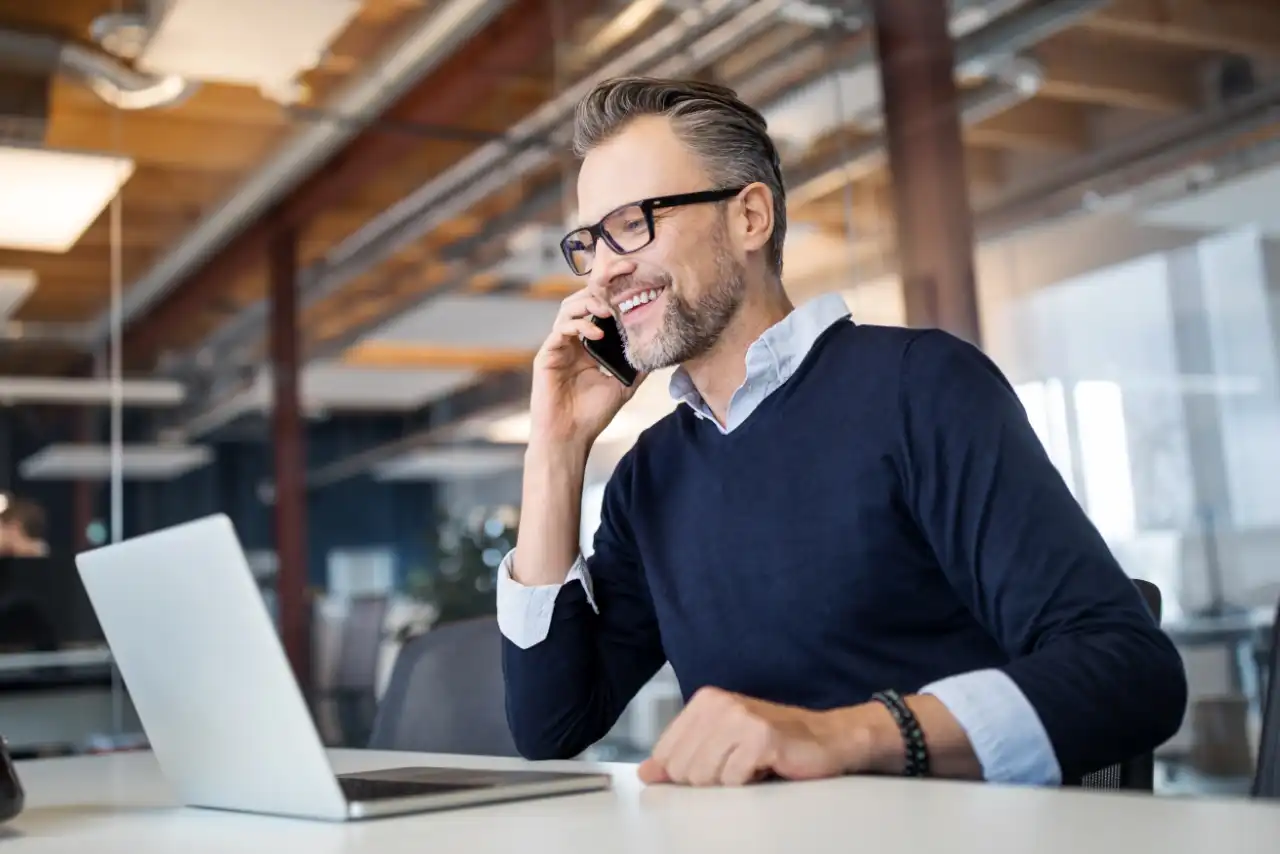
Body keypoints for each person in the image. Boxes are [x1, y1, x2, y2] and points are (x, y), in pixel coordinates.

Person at [497, 76, 1187, 787]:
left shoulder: (920, 388)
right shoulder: (651, 476)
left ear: (750, 218)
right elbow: (552, 725)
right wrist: (555, 448)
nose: (605, 269)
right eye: (588, 242)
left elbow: (1129, 671)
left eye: (634, 222)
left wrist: (846, 735)